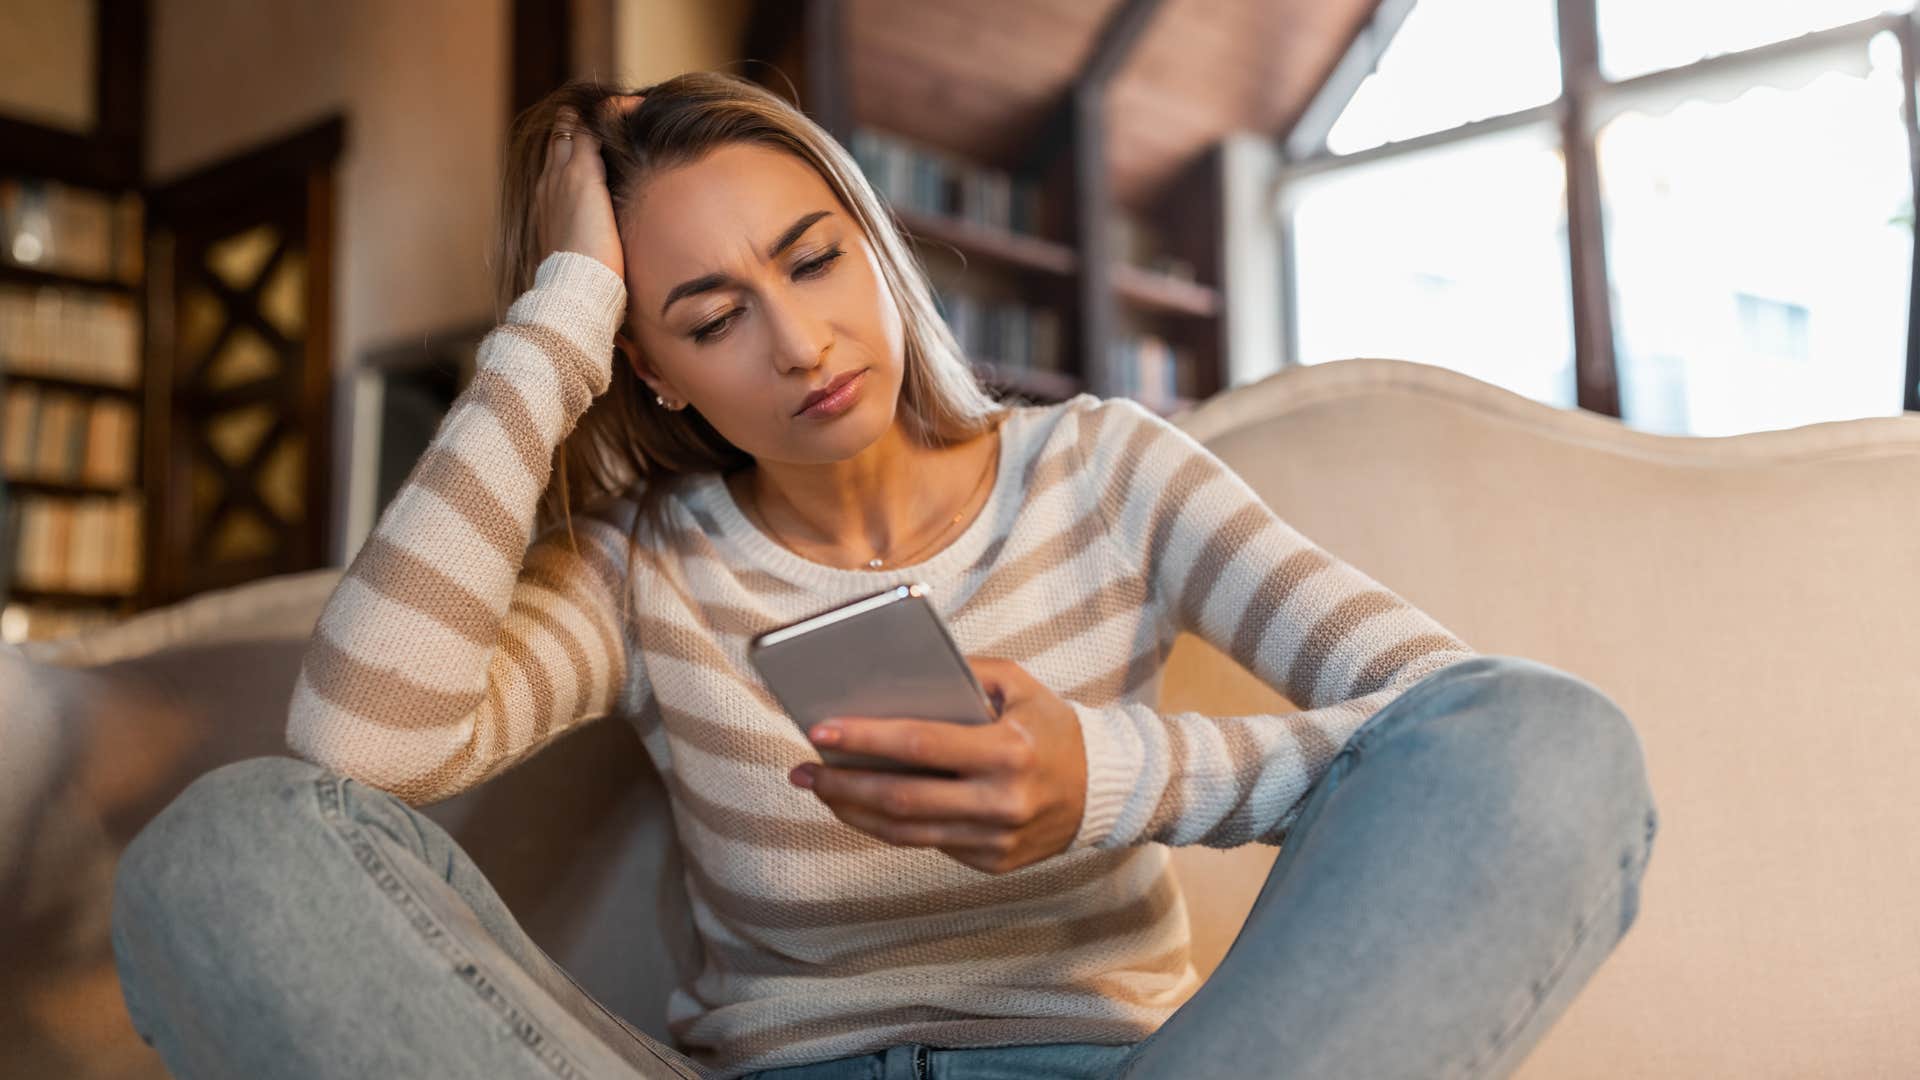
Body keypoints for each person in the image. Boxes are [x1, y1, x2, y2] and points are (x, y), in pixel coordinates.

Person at [109, 72, 1659, 1080]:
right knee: (228, 849)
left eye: (810, 259)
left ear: (868, 241)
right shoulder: (647, 573)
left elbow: (1453, 729)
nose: (801, 343)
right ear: (645, 371)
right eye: (707, 318)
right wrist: (560, 315)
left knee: (1553, 741)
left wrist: (1106, 776)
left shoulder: (1107, 470)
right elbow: (357, 751)